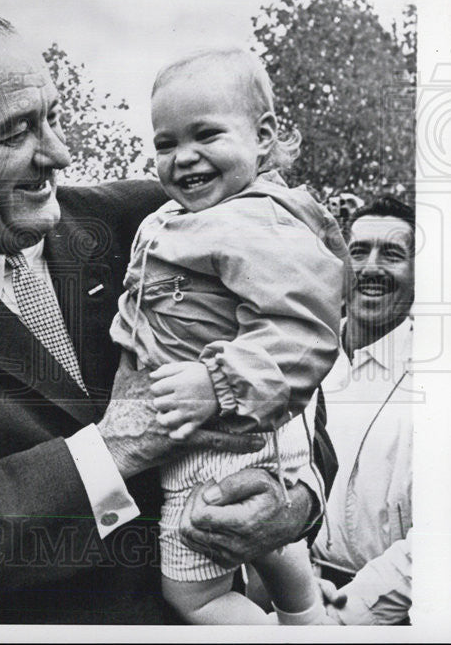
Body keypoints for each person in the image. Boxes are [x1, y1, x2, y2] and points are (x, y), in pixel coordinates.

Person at [0, 8, 334, 624]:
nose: (60, 154)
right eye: (16, 133)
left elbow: (298, 360)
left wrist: (296, 499)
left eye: (53, 117)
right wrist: (112, 452)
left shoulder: (159, 222)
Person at [109, 48, 346, 624]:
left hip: (220, 431)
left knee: (195, 594)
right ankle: (307, 620)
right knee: (265, 543)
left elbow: (305, 330)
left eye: (206, 135)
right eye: (166, 144)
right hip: (235, 423)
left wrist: (217, 383)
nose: (183, 158)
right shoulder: (182, 216)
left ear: (263, 137)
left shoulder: (259, 220)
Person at [312, 196, 414, 624]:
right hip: (294, 593)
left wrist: (340, 617)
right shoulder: (301, 353)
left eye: (392, 254)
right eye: (358, 251)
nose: (370, 268)